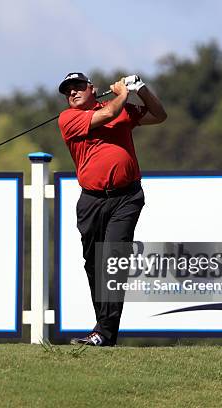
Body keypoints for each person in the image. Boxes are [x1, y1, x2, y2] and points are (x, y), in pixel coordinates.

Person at [57, 72, 167, 346]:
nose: (72, 92)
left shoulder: (121, 109)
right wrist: (122, 94)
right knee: (95, 265)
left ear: (92, 89)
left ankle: (104, 333)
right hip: (92, 201)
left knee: (113, 261)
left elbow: (159, 114)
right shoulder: (68, 118)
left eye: (78, 87)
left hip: (126, 198)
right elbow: (105, 117)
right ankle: (104, 331)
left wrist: (139, 88)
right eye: (68, 90)